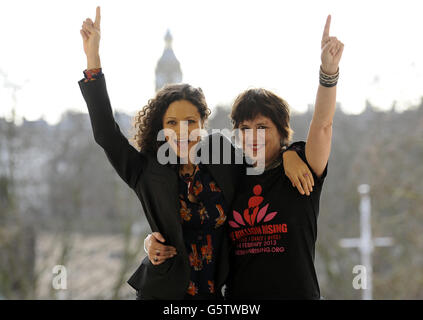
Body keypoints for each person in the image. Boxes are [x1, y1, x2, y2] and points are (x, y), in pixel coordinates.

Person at [78, 6, 314, 300]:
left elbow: (263, 156)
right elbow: (106, 133)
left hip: (217, 296)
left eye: (191, 121)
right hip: (163, 294)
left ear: (203, 124)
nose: (182, 131)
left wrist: (293, 151)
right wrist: (93, 60)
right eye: (172, 123)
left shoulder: (222, 157)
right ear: (160, 128)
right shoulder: (145, 171)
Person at [146, 14, 344, 300]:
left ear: (281, 131)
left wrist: (328, 72)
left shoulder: (301, 172)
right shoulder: (230, 177)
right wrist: (151, 243)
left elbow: (323, 125)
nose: (253, 136)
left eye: (262, 127)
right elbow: (188, 223)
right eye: (245, 128)